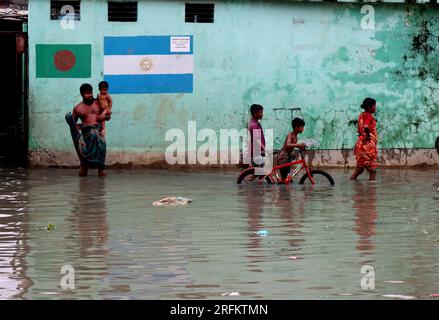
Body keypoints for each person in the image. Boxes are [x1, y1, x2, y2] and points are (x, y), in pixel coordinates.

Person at [65, 83, 107, 177]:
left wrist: (104, 126)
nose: (90, 95)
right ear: (82, 94)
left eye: (91, 93)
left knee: (101, 165)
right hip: (86, 137)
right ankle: (83, 190)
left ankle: (101, 189)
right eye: (87, 93)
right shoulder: (77, 108)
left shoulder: (98, 103)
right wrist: (77, 125)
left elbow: (107, 115)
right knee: (84, 164)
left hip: (99, 134)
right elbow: (73, 124)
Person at [350, 97, 378, 181]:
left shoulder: (361, 115)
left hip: (360, 144)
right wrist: (368, 136)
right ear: (369, 107)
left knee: (359, 169)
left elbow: (360, 129)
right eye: (374, 106)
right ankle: (371, 191)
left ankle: (351, 183)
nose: (375, 108)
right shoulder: (369, 116)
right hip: (367, 146)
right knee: (373, 170)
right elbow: (366, 126)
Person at [277, 118, 306, 184]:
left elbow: (292, 146)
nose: (303, 129)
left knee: (287, 172)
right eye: (302, 127)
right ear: (296, 127)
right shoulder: (290, 135)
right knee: (284, 176)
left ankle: (284, 188)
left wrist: (301, 146)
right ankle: (282, 190)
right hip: (284, 156)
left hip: (288, 155)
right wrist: (298, 145)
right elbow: (288, 144)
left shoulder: (295, 135)